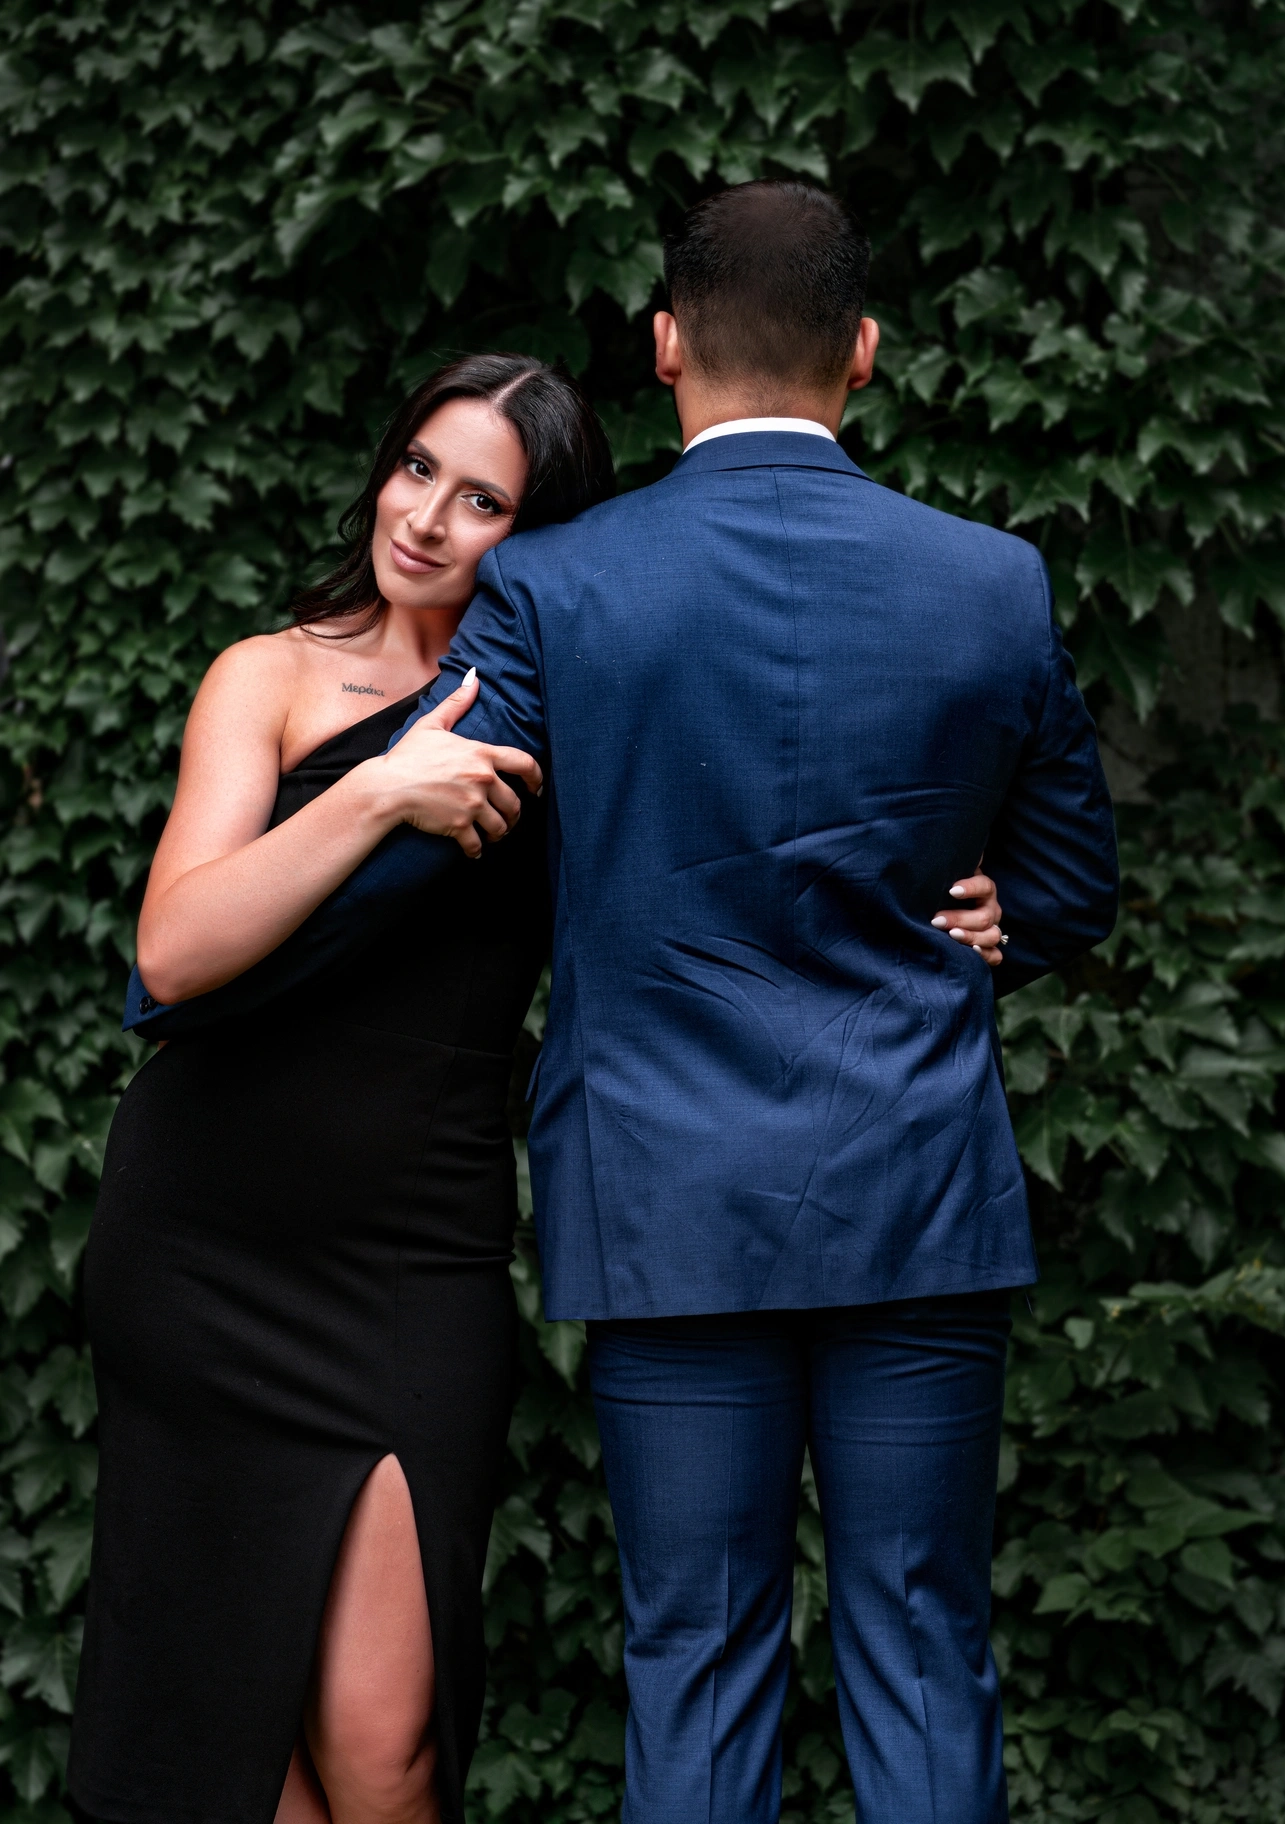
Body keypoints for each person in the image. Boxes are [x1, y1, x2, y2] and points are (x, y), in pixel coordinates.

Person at [112, 181, 1115, 1823]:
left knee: (696, 1657)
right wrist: (1006, 920)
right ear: (861, 353)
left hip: (664, 1198)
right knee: (926, 1648)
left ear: (664, 346)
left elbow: (419, 834)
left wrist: (207, 970)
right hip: (918, 1188)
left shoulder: (563, 588)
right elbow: (1072, 879)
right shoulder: (991, 581)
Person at [68, 355, 618, 1824]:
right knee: (237, 1748)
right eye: (418, 468)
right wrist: (381, 789)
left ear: (544, 532)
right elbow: (177, 950)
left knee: (385, 1749)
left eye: (484, 498)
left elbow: (730, 848)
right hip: (204, 1238)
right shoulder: (272, 674)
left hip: (408, 1257)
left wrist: (954, 901)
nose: (428, 518)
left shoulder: (569, 721)